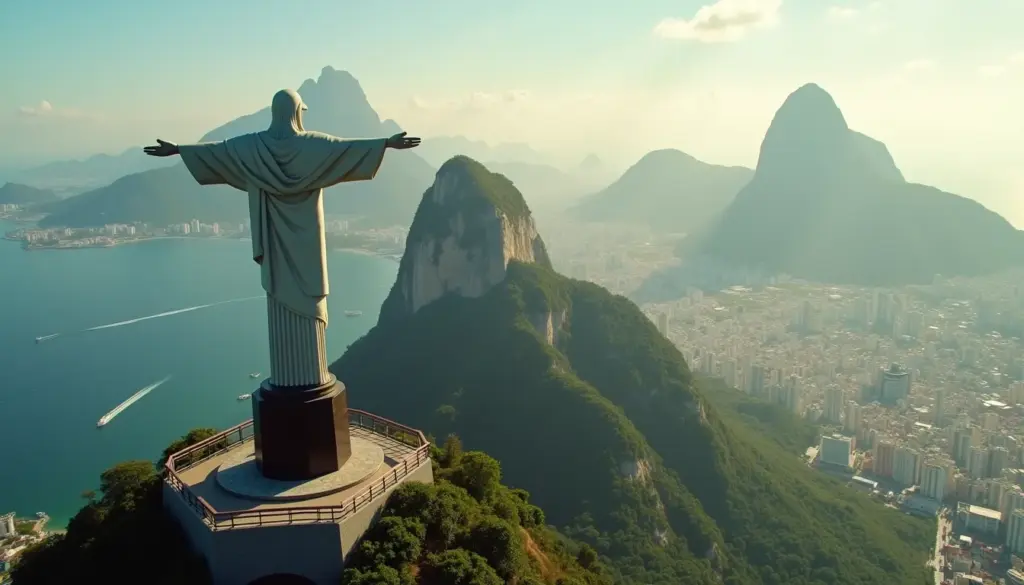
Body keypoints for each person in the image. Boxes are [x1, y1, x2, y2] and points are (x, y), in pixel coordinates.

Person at [143, 88, 420, 388]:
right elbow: (347, 149)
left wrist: (180, 149)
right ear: (298, 112)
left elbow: (218, 151)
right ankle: (309, 380)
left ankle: (292, 381)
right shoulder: (314, 146)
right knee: (309, 299)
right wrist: (386, 144)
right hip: (309, 245)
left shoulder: (252, 148)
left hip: (273, 243)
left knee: (280, 297)